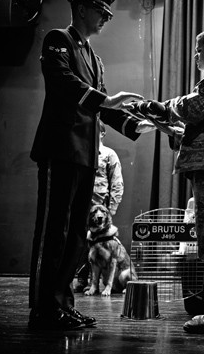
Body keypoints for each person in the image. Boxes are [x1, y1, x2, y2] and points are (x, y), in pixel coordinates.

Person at [28, 0, 145, 330]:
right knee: (53, 233)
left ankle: (62, 305)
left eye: (110, 14)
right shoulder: (57, 40)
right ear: (81, 8)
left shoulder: (95, 59)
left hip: (85, 157)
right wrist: (105, 102)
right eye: (102, 12)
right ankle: (43, 310)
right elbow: (63, 81)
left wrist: (143, 126)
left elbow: (105, 107)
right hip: (60, 151)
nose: (107, 18)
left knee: (78, 237)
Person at [128, 27, 204, 334]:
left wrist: (157, 107)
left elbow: (189, 108)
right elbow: (197, 126)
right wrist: (165, 124)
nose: (196, 55)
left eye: (199, 49)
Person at [73, 120, 124, 292]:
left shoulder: (109, 154)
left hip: (100, 210)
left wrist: (111, 210)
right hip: (82, 207)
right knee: (80, 243)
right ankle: (82, 279)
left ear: (102, 134)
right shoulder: (81, 152)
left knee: (102, 247)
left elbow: (117, 183)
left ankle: (103, 283)